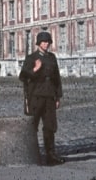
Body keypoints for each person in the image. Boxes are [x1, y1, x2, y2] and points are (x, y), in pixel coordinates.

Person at [19, 30, 65, 166]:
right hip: (35, 96)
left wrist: (58, 96)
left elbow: (56, 78)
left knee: (50, 126)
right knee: (33, 126)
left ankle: (51, 155)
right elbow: (23, 76)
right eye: (44, 42)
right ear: (39, 43)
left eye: (48, 42)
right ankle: (31, 155)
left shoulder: (52, 58)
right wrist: (35, 69)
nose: (46, 44)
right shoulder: (31, 58)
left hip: (49, 96)